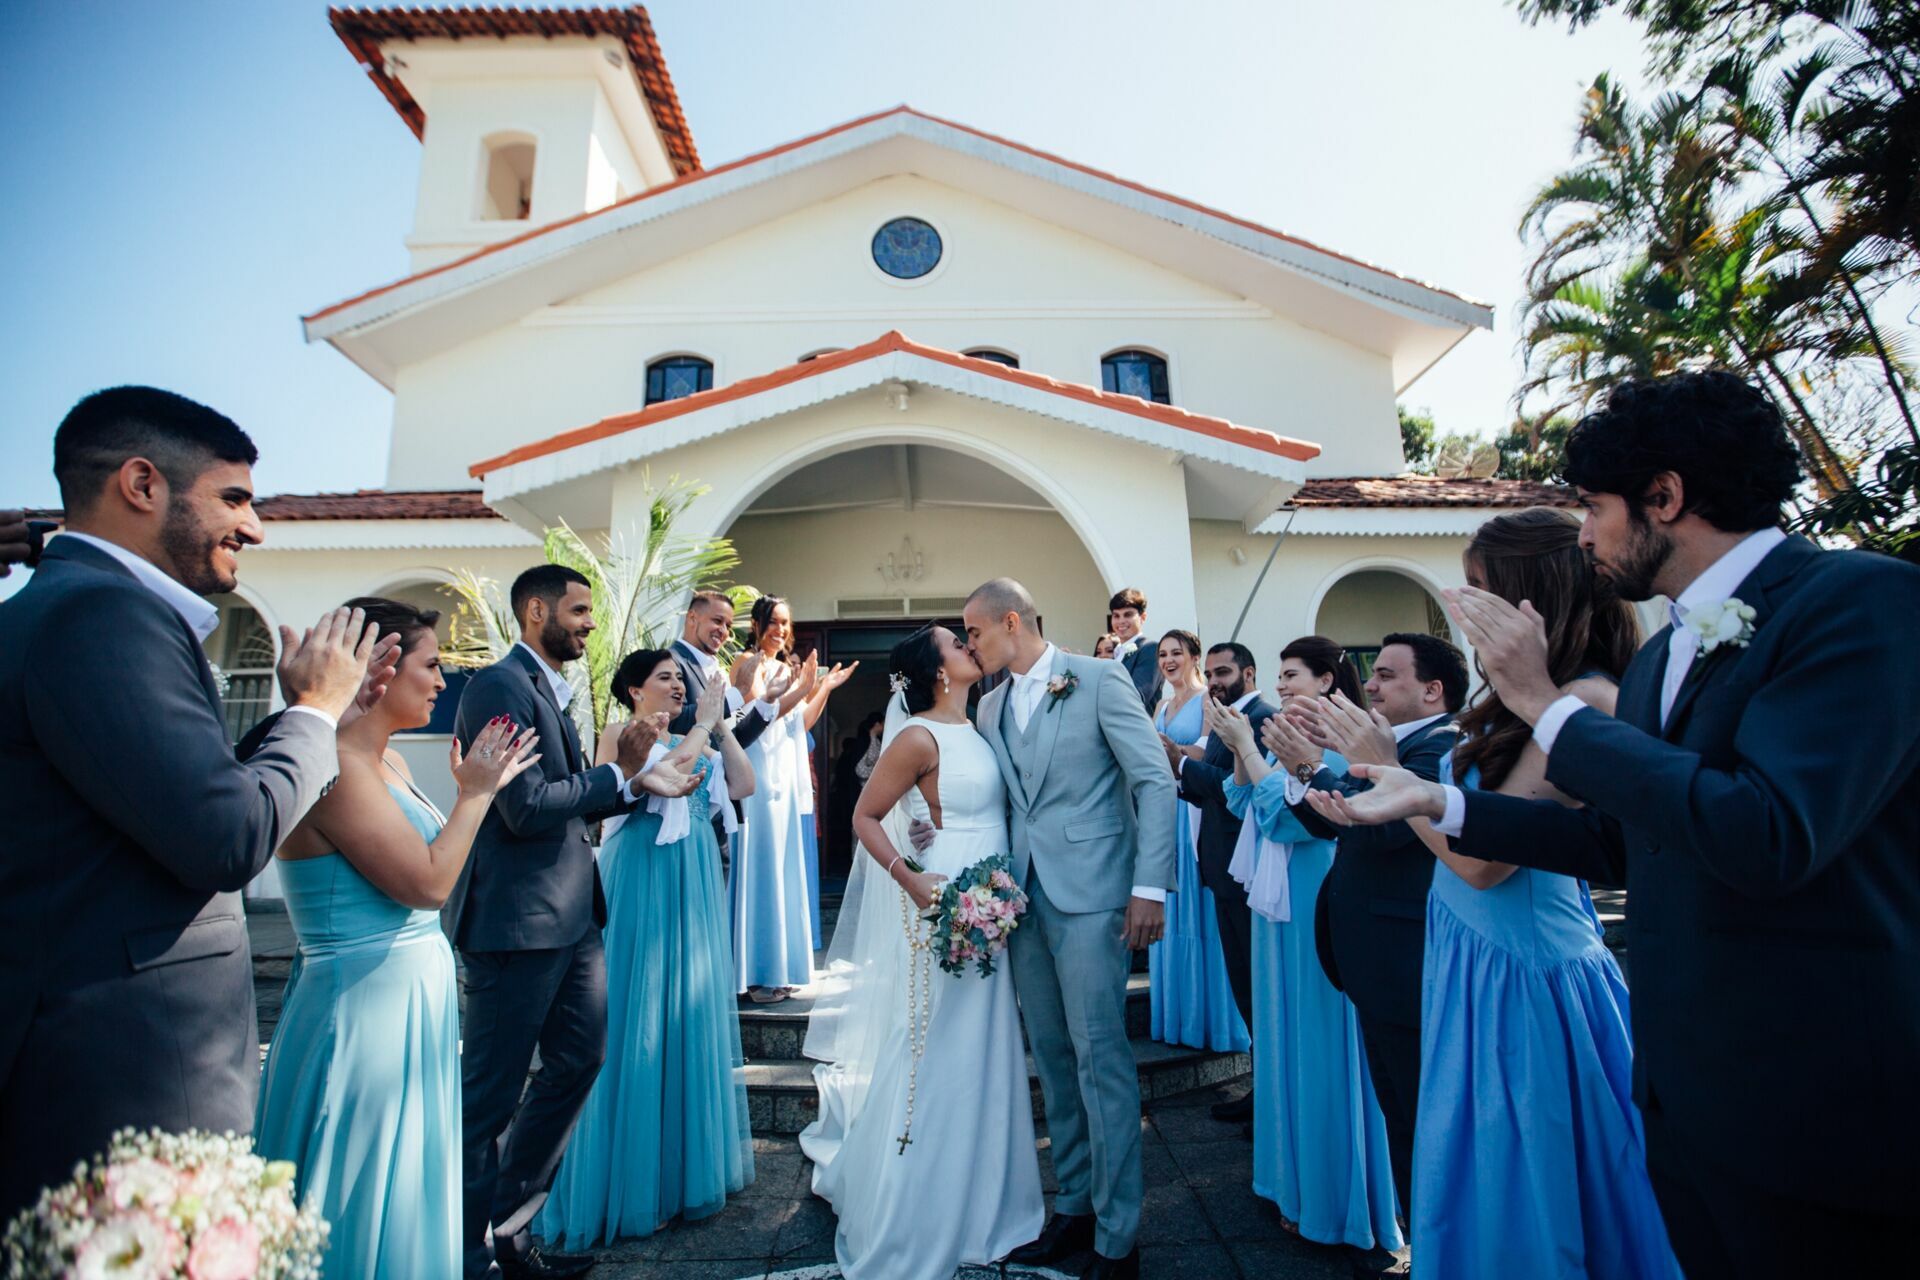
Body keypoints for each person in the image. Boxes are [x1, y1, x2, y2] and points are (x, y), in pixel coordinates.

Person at [1307, 373, 1920, 1279]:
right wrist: (1442, 801)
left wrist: (1545, 707)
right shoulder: (1668, 649)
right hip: (1685, 1093)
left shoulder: (1862, 602)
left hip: (1818, 1096)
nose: (1584, 536)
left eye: (1595, 507)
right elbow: (1621, 840)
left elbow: (1766, 833)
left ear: (1664, 497)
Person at [0, 387, 377, 1219]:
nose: (254, 528)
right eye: (233, 498)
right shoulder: (103, 614)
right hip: (133, 1075)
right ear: (142, 484)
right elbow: (227, 837)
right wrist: (313, 715)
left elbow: (165, 801)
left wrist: (300, 725)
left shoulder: (77, 607)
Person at [1401, 509, 1678, 1278]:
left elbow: (1485, 863)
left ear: (1531, 599)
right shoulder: (1523, 699)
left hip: (1523, 977)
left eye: (1482, 590)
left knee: (1531, 1178)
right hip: (1477, 958)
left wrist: (1406, 793)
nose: (1466, 606)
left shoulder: (1581, 699)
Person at [256, 598, 540, 1280]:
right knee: (359, 1183)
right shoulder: (335, 770)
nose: (444, 683)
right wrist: (476, 792)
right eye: (432, 665)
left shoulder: (389, 765)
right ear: (381, 668)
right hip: (361, 1008)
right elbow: (428, 883)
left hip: (411, 994)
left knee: (407, 1177)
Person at [451, 563, 694, 1280]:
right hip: (516, 926)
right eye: (580, 610)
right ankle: (470, 1257)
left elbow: (575, 800)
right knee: (489, 1103)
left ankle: (513, 1229)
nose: (590, 622)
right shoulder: (499, 686)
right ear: (536, 611)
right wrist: (618, 775)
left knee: (579, 1062)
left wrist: (631, 777)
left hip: (571, 919)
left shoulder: (543, 689)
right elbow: (523, 805)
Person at [799, 625, 1045, 1280]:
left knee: (985, 1046)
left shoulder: (985, 723)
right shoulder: (916, 736)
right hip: (945, 901)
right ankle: (918, 1202)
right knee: (933, 1042)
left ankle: (984, 1193)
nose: (969, 645)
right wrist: (911, 880)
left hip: (992, 897)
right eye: (954, 642)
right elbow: (864, 816)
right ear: (935, 670)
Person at [964, 578, 1176, 1280]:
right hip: (1023, 900)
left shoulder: (1097, 678)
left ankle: (1119, 1237)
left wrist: (1149, 887)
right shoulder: (990, 704)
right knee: (1052, 1058)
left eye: (975, 633)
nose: (970, 647)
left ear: (1011, 620)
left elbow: (1153, 780)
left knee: (1100, 1057)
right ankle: (1076, 1208)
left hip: (1095, 896)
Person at [539, 649, 756, 1246]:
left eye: (682, 680)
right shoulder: (618, 733)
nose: (679, 687)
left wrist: (720, 727)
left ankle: (682, 1174)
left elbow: (744, 783)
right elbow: (623, 788)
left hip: (691, 883)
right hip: (639, 877)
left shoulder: (700, 738)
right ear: (635, 690)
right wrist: (705, 726)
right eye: (665, 678)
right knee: (637, 1015)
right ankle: (632, 1182)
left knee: (684, 1016)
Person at [1204, 637, 1402, 1263]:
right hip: (1276, 897)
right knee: (1283, 1029)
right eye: (1281, 674)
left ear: (1326, 678)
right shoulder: (1282, 729)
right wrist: (1242, 749)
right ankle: (1289, 1178)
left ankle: (1335, 1195)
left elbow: (1300, 816)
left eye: (1293, 674)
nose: (1284, 685)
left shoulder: (1347, 735)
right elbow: (1245, 802)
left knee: (1320, 1036)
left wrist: (1249, 756)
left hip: (1318, 888)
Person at [1286, 632, 1465, 1220]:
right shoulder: (1387, 743)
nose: (1373, 683)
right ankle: (1424, 1239)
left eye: (1388, 674)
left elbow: (1383, 828)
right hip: (1372, 960)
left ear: (1433, 691)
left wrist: (1310, 766)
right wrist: (1305, 772)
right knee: (1400, 1115)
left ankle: (1437, 1243)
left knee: (1423, 1120)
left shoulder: (1442, 748)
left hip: (1407, 960)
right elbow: (1333, 822)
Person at [1166, 643, 1271, 1120]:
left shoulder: (1261, 719)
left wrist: (1182, 764)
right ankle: (1261, 1082)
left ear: (1249, 672)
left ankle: (1268, 1089)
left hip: (1245, 871)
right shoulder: (1225, 716)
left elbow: (1239, 792)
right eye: (1209, 673)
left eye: (1224, 671)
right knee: (1243, 982)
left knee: (1256, 982)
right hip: (1220, 867)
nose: (1215, 680)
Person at [1146, 631, 1247, 1056]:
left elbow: (1207, 755)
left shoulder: (1209, 700)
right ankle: (1181, 1018)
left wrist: (1171, 753)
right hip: (1163, 812)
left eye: (1176, 654)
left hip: (1195, 811)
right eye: (1163, 655)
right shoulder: (1159, 705)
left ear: (1194, 659)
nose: (1168, 661)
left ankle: (1217, 1021)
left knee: (1199, 911)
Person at [730, 595, 834, 1003]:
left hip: (786, 776)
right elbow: (759, 714)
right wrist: (802, 687)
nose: (780, 629)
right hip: (759, 772)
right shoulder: (746, 664)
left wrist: (820, 688)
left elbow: (800, 720)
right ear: (756, 624)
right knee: (762, 866)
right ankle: (755, 974)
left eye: (786, 623)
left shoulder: (784, 669)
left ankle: (779, 967)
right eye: (773, 621)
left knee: (783, 866)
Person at [1108, 588, 1162, 714]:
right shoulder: (1115, 653)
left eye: (1128, 615)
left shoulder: (1150, 649)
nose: (1121, 621)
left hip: (1136, 727)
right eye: (1116, 616)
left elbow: (1138, 696)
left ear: (1142, 617)